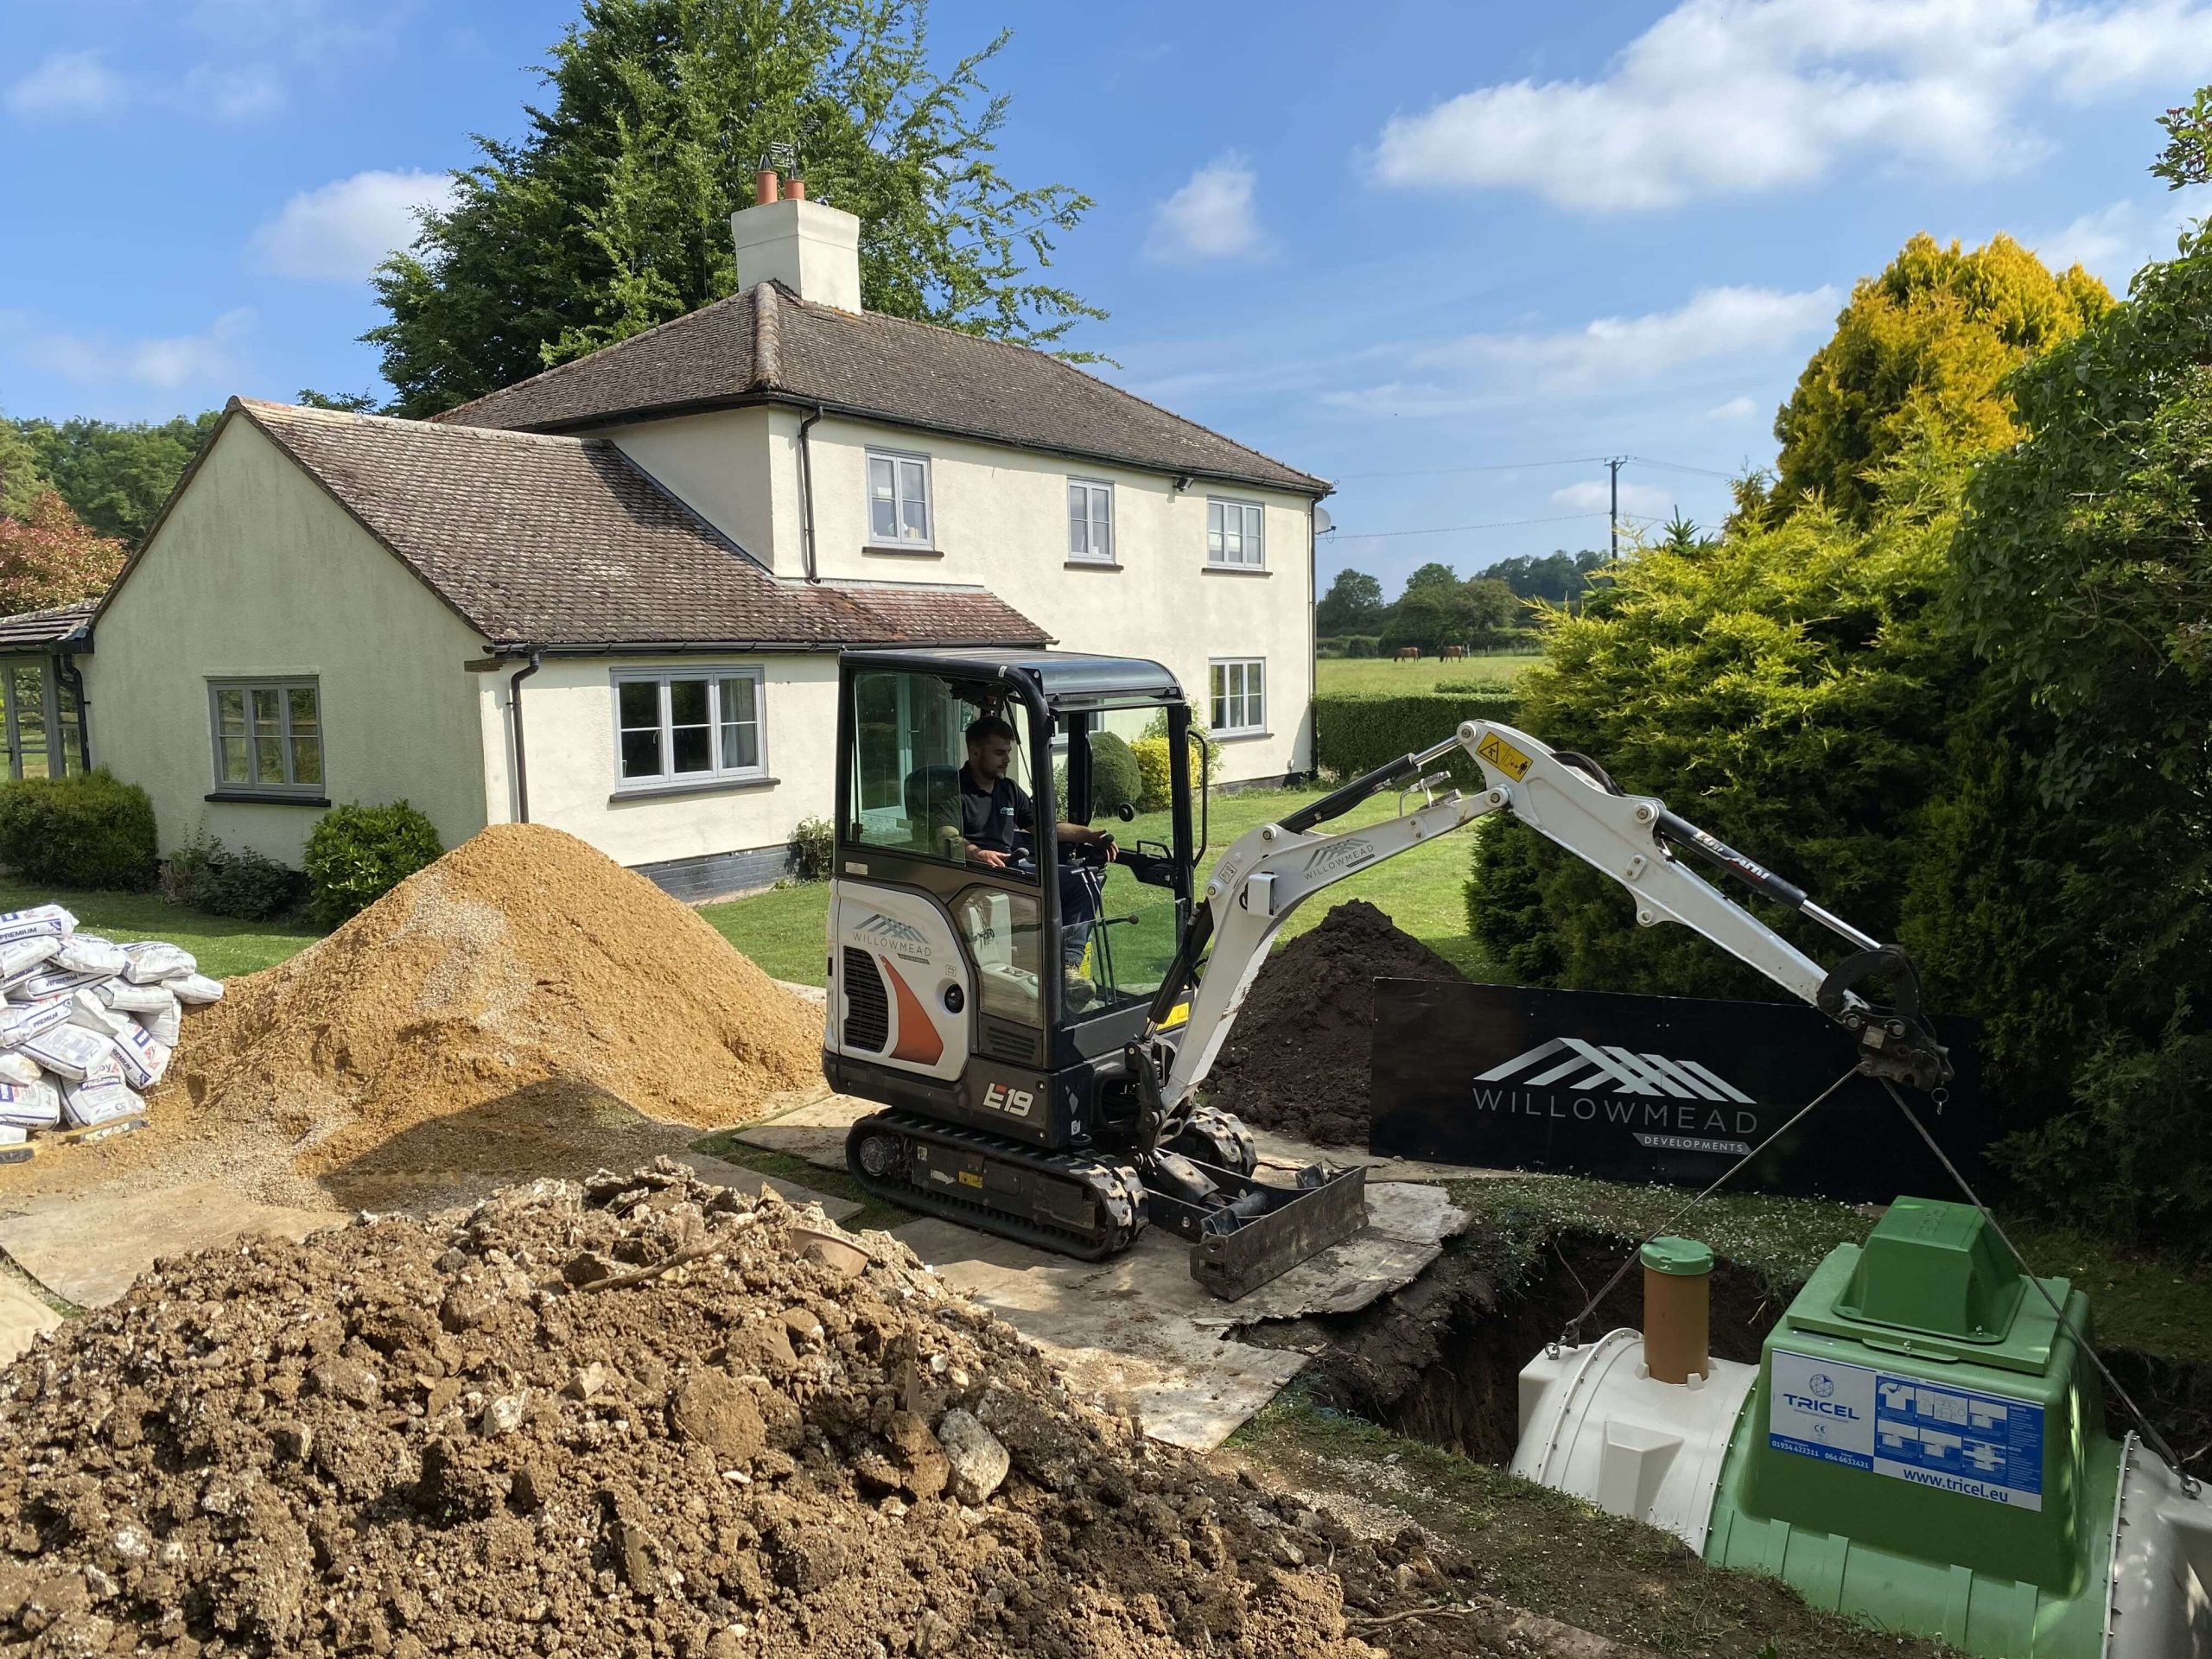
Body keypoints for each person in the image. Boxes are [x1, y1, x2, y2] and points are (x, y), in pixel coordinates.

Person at [955, 715, 1116, 1001]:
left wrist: (1089, 835)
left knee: (1083, 880)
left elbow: (1046, 828)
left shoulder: (1008, 790)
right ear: (975, 752)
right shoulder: (956, 791)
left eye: (1008, 752)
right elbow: (948, 836)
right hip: (977, 875)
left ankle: (1067, 965)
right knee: (1069, 882)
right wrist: (977, 853)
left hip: (1011, 866)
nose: (1006, 760)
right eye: (999, 753)